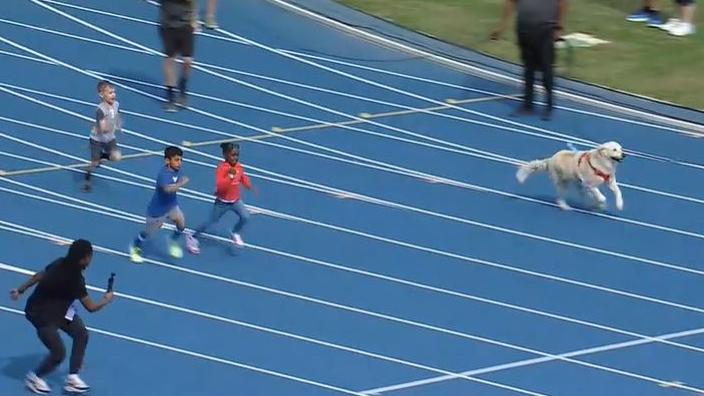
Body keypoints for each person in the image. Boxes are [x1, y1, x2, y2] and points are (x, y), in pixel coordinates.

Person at [9, 239, 114, 395]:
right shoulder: (76, 281)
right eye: (90, 256)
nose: (91, 260)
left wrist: (20, 290)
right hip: (41, 315)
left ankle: (72, 377)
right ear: (84, 258)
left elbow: (40, 275)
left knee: (81, 333)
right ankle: (34, 378)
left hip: (60, 309)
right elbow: (91, 307)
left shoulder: (59, 263)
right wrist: (106, 300)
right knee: (58, 353)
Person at [491, 0, 568, 120]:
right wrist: (501, 27)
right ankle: (528, 105)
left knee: (546, 68)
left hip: (545, 29)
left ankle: (549, 105)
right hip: (524, 29)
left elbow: (562, 2)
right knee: (528, 69)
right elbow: (510, 2)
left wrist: (559, 26)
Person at [129, 146, 198, 263]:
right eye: (176, 160)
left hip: (171, 206)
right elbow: (167, 189)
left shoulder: (177, 170)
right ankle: (135, 247)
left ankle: (172, 240)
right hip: (157, 210)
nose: (179, 163)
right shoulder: (163, 174)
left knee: (181, 224)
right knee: (148, 233)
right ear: (167, 161)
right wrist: (181, 183)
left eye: (181, 160)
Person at [188, 142, 254, 251]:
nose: (235, 157)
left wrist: (248, 184)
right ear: (225, 155)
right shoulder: (222, 168)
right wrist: (230, 176)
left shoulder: (238, 166)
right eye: (233, 155)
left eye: (237, 155)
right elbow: (221, 186)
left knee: (245, 217)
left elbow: (242, 177)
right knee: (211, 222)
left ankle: (235, 232)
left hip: (235, 201)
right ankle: (192, 236)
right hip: (222, 203)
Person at [158, 0, 198, 111]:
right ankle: (170, 96)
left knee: (188, 60)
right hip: (168, 26)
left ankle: (183, 84)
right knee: (170, 59)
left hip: (185, 25)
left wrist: (194, 20)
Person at [83, 80, 122, 192]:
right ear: (101, 95)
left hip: (110, 138)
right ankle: (87, 179)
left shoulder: (116, 104)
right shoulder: (100, 110)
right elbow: (102, 129)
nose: (113, 95)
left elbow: (116, 115)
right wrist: (111, 126)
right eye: (110, 93)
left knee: (117, 157)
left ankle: (102, 156)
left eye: (114, 92)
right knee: (94, 164)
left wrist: (118, 124)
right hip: (97, 139)